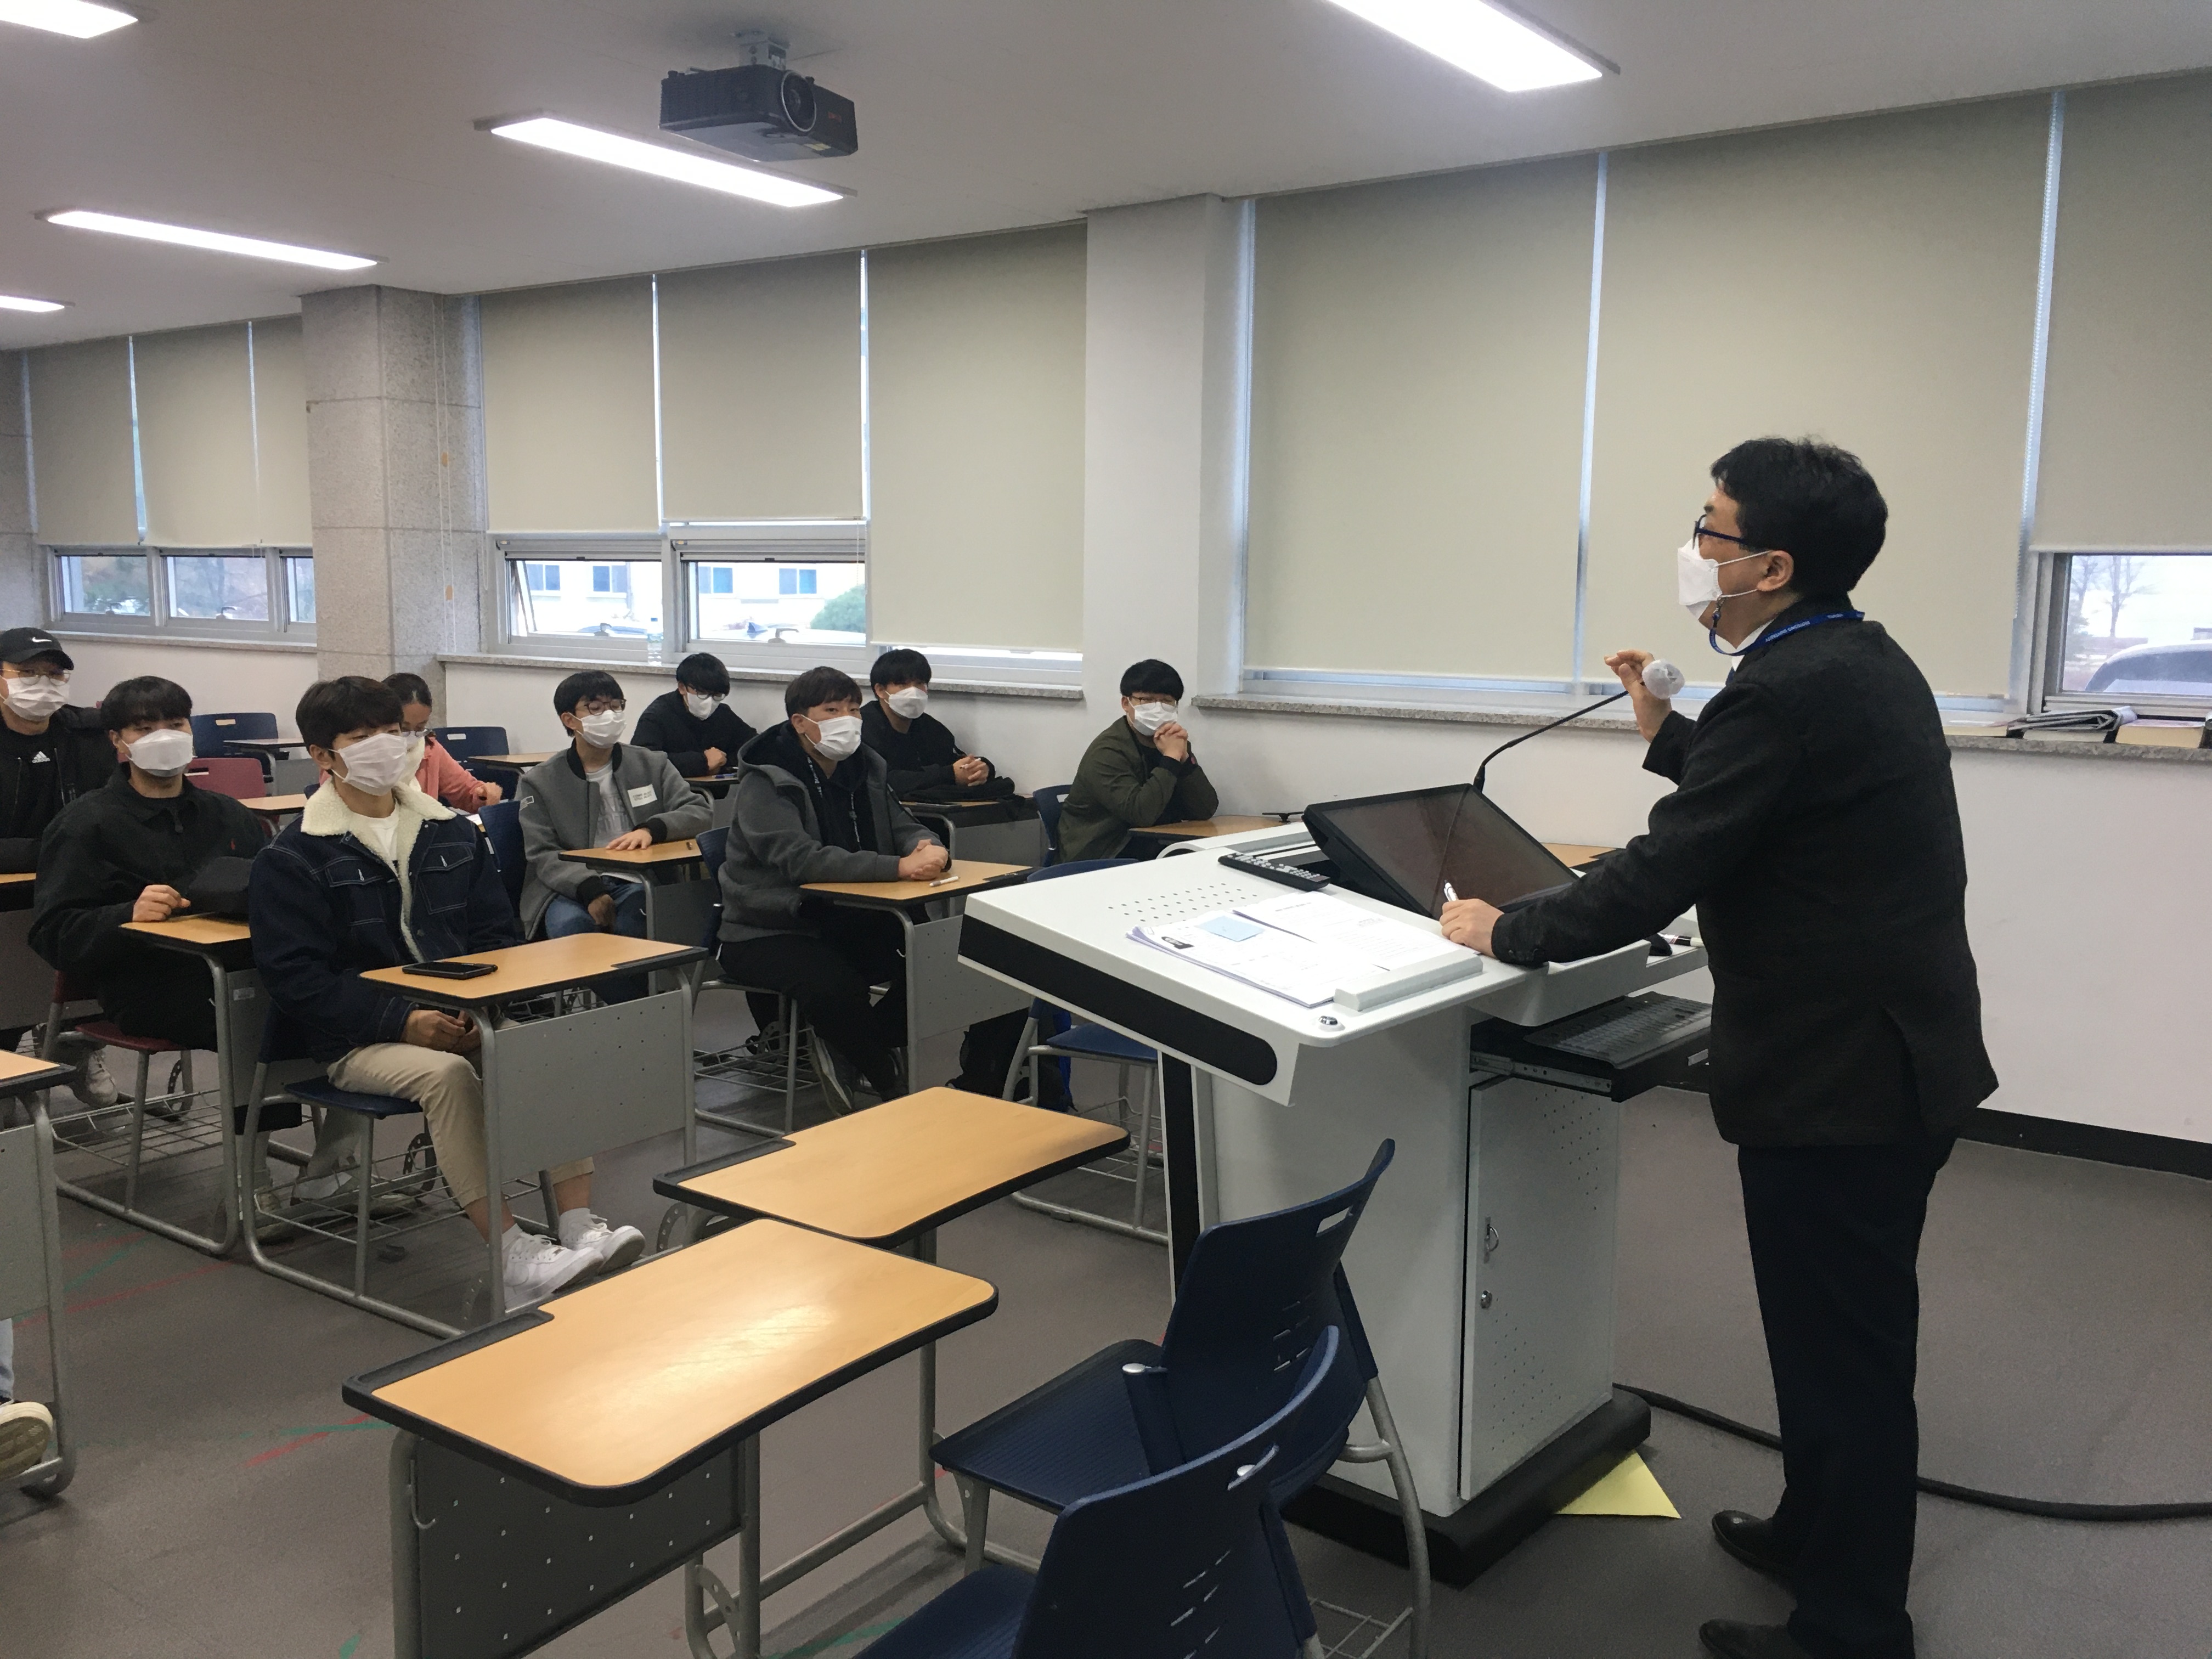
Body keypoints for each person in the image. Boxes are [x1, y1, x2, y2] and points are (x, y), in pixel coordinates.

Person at [1440, 439, 1996, 1659]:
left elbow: (1665, 867)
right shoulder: (1854, 658)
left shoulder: (1786, 689)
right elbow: (1777, 789)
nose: (1694, 549)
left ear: (1773, 566)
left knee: (1843, 1357)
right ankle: (1814, 1532)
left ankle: (1852, 1628)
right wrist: (1667, 726)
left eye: (1711, 529)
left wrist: (1506, 928)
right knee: (1828, 1337)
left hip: (1841, 1084)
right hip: (1890, 1056)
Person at [251, 676, 640, 1305]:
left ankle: (577, 1226)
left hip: (465, 1017)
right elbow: (297, 978)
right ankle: (512, 1255)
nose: (387, 746)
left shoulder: (451, 833)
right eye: (363, 737)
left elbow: (497, 938)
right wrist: (404, 1022)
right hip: (357, 1039)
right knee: (447, 1077)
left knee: (544, 1048)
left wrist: (479, 1006)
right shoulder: (295, 856)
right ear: (323, 756)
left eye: (394, 733)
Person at [30, 676, 274, 1125]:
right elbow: (53, 934)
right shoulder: (86, 825)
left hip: (239, 970)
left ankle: (313, 1150)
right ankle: (253, 1157)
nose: (164, 737)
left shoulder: (230, 815)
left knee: (318, 1004)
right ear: (117, 741)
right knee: (267, 1022)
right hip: (147, 986)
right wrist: (128, 915)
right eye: (144, 729)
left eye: (176, 725)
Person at [717, 666, 950, 1111]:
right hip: (772, 925)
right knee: (834, 988)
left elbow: (903, 825)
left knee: (936, 960)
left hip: (852, 913)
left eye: (853, 709)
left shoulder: (866, 767)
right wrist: (898, 867)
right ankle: (884, 1078)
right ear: (800, 722)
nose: (847, 719)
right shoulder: (767, 781)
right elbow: (801, 860)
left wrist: (928, 847)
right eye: (831, 710)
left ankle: (850, 1044)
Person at [516, 672, 709, 998]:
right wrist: (590, 890)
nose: (609, 715)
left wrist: (653, 829)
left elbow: (699, 811)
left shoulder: (651, 763)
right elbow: (542, 852)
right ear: (569, 719)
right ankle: (635, 1016)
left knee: (636, 927)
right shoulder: (540, 781)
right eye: (595, 708)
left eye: (616, 706)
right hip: (568, 887)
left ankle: (635, 1016)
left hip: (639, 880)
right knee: (574, 931)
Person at [0, 627, 126, 1109]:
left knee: (107, 923)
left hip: (71, 880)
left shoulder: (87, 733)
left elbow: (111, 810)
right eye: (28, 673)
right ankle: (8, 1063)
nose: (43, 684)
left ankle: (77, 1045)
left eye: (55, 674)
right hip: (10, 885)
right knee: (11, 977)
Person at [1057, 659, 1218, 862]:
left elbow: (1205, 809)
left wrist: (1184, 760)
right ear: (1126, 703)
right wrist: (1170, 759)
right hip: (1103, 853)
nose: (1158, 708)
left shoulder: (1173, 744)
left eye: (1167, 701)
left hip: (1153, 846)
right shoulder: (1107, 752)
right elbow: (1141, 814)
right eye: (1147, 700)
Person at [860, 648, 1009, 800]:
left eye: (920, 684)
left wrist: (980, 768)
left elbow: (953, 761)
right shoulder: (863, 728)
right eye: (903, 685)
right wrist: (950, 775)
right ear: (881, 690)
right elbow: (884, 780)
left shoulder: (931, 728)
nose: (914, 692)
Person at [382, 671, 501, 810]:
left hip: (424, 822)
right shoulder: (370, 754)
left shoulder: (429, 749)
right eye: (403, 728)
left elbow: (465, 791)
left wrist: (482, 794)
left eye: (420, 727)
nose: (412, 736)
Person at [631, 652, 758, 780]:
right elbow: (642, 762)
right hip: (672, 790)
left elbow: (753, 746)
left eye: (717, 695)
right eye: (702, 693)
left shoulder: (722, 714)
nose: (710, 702)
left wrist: (722, 763)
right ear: (682, 688)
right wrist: (703, 762)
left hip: (712, 790)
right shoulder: (656, 716)